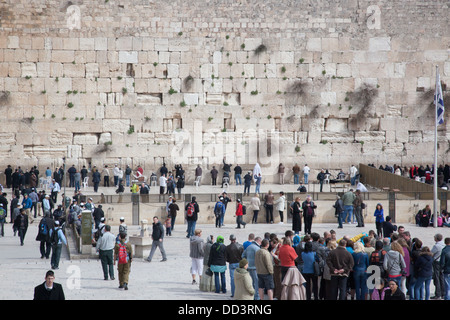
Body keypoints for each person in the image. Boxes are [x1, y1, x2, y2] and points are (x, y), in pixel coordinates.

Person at [431, 233, 446, 300]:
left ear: (436, 238)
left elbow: (431, 254)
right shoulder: (444, 244)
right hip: (442, 262)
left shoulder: (436, 246)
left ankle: (438, 294)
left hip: (437, 263)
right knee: (442, 278)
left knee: (437, 278)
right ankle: (443, 293)